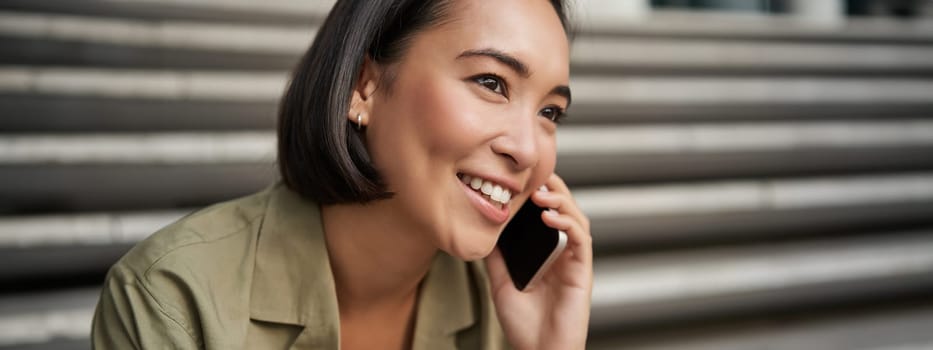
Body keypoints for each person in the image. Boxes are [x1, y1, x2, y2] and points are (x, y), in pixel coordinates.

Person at [91, 0, 592, 348]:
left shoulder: (504, 311)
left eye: (550, 113)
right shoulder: (174, 300)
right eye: (491, 83)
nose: (528, 150)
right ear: (363, 86)